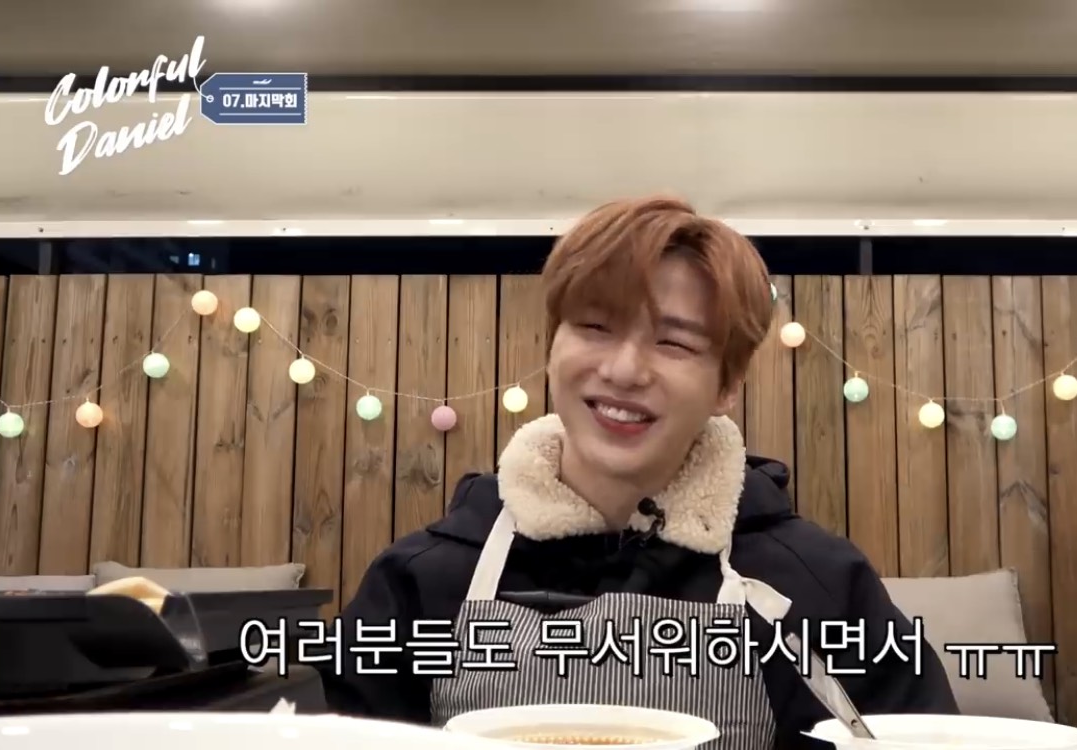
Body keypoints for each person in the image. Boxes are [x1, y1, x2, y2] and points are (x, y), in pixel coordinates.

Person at [319, 195, 959, 749]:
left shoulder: (817, 587)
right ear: (552, 343)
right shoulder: (421, 580)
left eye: (674, 342)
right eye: (595, 326)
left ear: (727, 385)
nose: (624, 370)